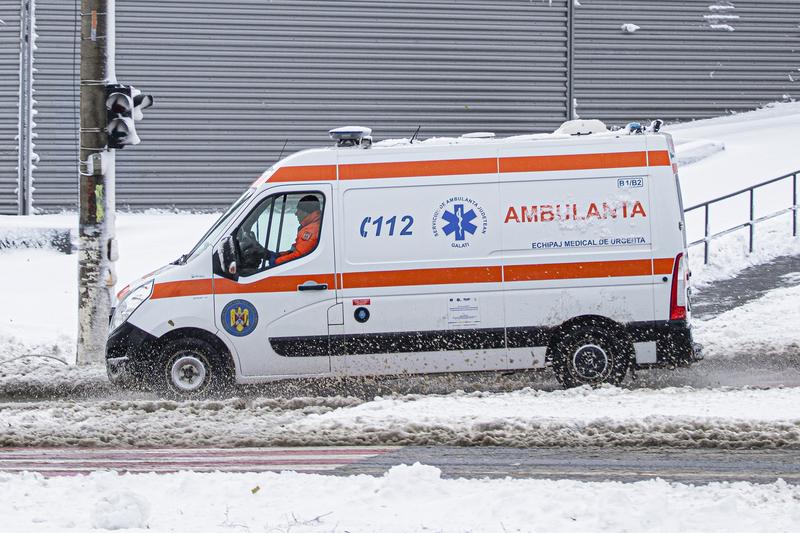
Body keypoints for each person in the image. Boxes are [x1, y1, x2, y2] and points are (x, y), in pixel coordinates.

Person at [270, 195, 322, 266]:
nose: (296, 213)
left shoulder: (310, 230)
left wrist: (276, 262)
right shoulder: (314, 225)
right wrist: (280, 255)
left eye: (298, 210)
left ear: (305, 212)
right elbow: (296, 250)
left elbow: (299, 256)